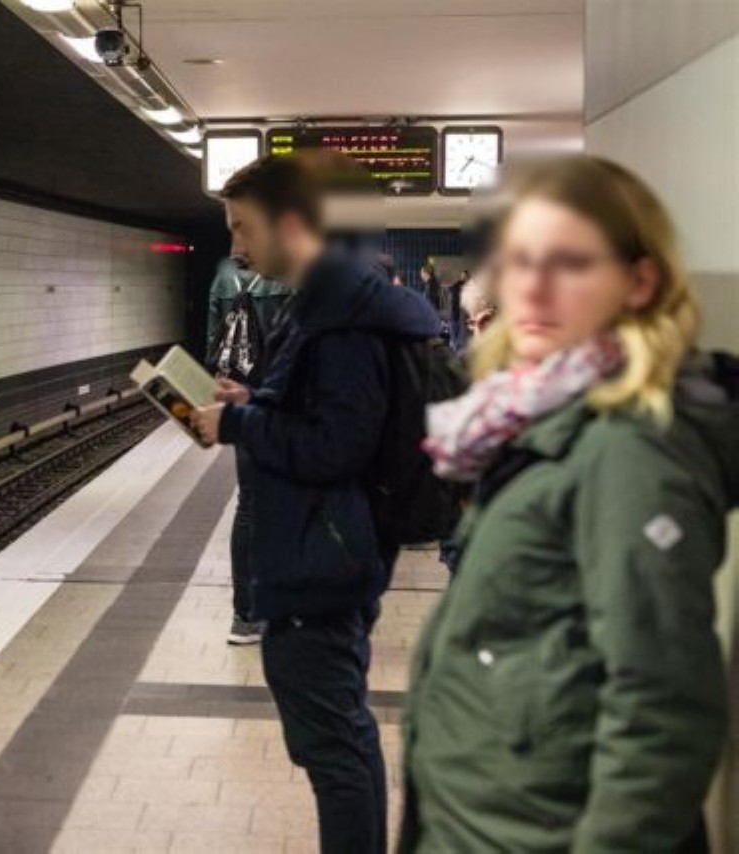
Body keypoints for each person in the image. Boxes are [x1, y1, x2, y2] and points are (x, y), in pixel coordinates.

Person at [403, 154, 738, 851]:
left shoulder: (627, 452)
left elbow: (660, 709)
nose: (534, 287)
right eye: (520, 261)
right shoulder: (541, 418)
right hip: (490, 823)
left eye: (571, 263)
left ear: (640, 282)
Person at [188, 153, 440, 854]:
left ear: (291, 223)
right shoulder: (330, 304)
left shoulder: (340, 318)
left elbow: (337, 445)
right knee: (337, 745)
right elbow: (327, 415)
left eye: (243, 226)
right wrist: (255, 399)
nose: (236, 245)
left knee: (336, 750)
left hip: (323, 556)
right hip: (322, 548)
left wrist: (238, 424)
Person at [205, 255, 291, 645]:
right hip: (282, 399)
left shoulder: (224, 276)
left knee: (249, 504)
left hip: (241, 398)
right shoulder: (288, 274)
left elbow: (214, 346)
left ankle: (245, 616)